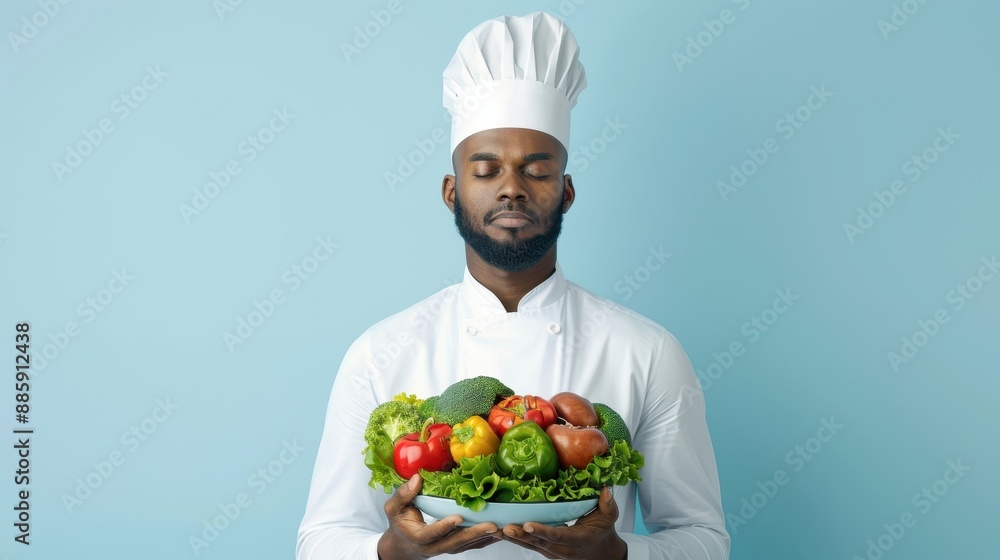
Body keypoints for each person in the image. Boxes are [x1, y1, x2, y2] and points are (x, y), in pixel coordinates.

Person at [296, 11, 729, 560]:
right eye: (486, 170)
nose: (512, 189)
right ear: (451, 191)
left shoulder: (647, 351)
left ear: (567, 191)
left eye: (537, 170)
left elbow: (704, 541)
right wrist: (391, 552)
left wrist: (617, 556)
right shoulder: (380, 354)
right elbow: (319, 542)